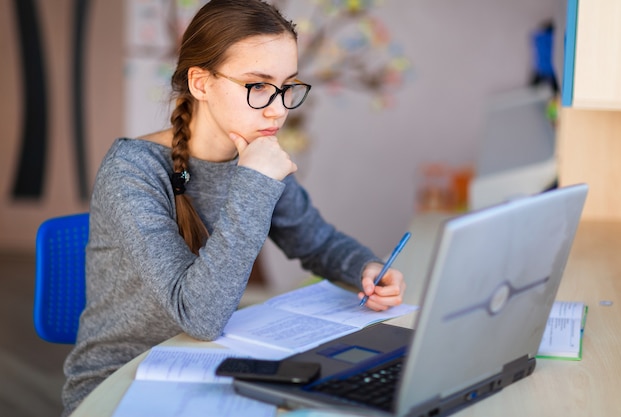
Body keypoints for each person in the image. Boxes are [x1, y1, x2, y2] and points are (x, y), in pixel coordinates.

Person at [61, 0, 406, 415]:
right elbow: (199, 315)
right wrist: (255, 184)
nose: (278, 108)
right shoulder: (132, 171)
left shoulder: (258, 154)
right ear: (201, 83)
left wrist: (364, 268)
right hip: (122, 381)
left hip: (212, 365)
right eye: (257, 85)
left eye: (286, 85)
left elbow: (316, 242)